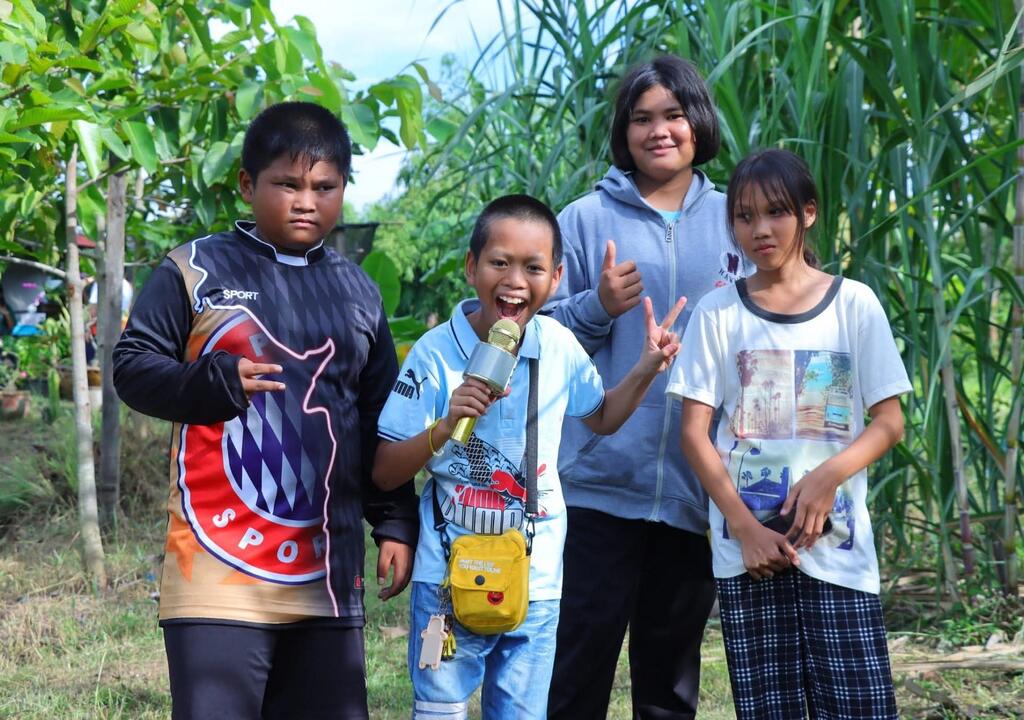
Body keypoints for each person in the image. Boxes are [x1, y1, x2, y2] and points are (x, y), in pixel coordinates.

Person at [112, 102, 419, 720]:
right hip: (213, 573)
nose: (307, 202)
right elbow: (132, 367)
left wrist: (394, 522)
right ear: (248, 185)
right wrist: (215, 380)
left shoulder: (358, 291)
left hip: (327, 574)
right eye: (288, 184)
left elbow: (379, 417)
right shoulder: (194, 270)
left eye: (324, 187)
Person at [372, 194, 686, 720]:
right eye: (499, 262)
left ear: (557, 278)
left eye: (533, 268)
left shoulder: (559, 345)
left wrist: (646, 367)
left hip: (536, 581)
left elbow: (602, 416)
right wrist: (444, 427)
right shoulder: (433, 353)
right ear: (471, 267)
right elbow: (384, 470)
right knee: (439, 709)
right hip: (446, 578)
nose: (515, 280)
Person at [671, 148, 910, 718]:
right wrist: (744, 528)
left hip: (838, 550)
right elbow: (694, 434)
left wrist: (828, 477)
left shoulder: (854, 305)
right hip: (749, 552)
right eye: (744, 216)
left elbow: (890, 421)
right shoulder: (717, 313)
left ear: (808, 213)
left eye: (776, 212)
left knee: (861, 706)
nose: (760, 230)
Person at [544, 55, 744, 719]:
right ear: (623, 132)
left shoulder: (738, 220)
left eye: (673, 114)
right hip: (596, 487)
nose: (659, 130)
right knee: (574, 675)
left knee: (670, 687)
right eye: (641, 118)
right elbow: (536, 340)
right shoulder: (583, 220)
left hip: (697, 486)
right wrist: (596, 306)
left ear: (699, 122)